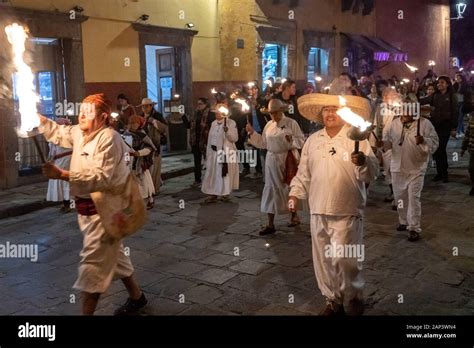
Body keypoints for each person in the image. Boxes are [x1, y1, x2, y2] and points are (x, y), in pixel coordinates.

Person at [38, 93, 146, 315]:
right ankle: (137, 297)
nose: (81, 116)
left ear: (103, 116)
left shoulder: (110, 138)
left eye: (88, 113)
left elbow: (100, 178)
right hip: (85, 211)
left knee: (92, 269)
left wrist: (62, 174)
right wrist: (36, 117)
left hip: (105, 211)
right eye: (81, 111)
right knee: (116, 257)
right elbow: (59, 132)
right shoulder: (79, 132)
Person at [289, 88, 378, 316]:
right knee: (324, 259)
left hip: (347, 208)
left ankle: (354, 295)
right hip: (318, 208)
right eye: (326, 110)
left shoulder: (355, 137)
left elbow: (371, 173)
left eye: (335, 109)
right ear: (321, 115)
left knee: (345, 260)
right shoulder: (313, 140)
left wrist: (363, 162)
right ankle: (332, 300)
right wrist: (295, 193)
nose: (330, 114)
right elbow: (304, 173)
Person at [383, 95, 439, 241]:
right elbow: (387, 143)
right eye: (403, 110)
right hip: (397, 167)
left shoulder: (425, 124)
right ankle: (403, 220)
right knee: (400, 197)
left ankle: (414, 227)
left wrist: (423, 140)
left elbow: (434, 144)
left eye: (409, 111)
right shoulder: (393, 124)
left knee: (414, 198)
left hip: (416, 168)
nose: (405, 114)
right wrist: (381, 145)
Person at [246, 99, 305, 235]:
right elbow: (263, 143)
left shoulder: (291, 123)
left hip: (287, 159)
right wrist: (252, 133)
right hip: (272, 160)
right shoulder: (269, 125)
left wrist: (292, 141)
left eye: (275, 112)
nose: (273, 115)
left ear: (281, 111)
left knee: (289, 187)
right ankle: (270, 223)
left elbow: (301, 141)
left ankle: (293, 215)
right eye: (271, 113)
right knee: (271, 188)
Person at [420, 76, 458, 183]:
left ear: (447, 84)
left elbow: (455, 112)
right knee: (435, 149)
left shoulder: (451, 96)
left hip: (445, 126)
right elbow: (423, 101)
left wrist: (454, 128)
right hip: (435, 125)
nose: (439, 84)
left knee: (441, 148)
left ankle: (444, 173)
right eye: (438, 83)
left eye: (442, 82)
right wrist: (412, 99)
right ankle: (439, 173)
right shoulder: (435, 96)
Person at [201, 103, 239, 203]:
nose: (216, 115)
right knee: (212, 173)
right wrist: (208, 153)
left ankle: (224, 194)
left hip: (225, 153)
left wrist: (227, 132)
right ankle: (213, 193)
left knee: (224, 174)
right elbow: (210, 139)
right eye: (216, 113)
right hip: (214, 153)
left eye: (218, 113)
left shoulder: (231, 123)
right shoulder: (213, 123)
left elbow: (234, 138)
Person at [126, 115, 156, 209]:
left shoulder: (142, 135)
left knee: (143, 182)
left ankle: (147, 201)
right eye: (130, 123)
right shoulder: (125, 135)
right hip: (128, 162)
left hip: (140, 162)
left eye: (134, 123)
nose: (131, 125)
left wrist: (138, 153)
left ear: (139, 124)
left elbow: (149, 148)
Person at [139, 98, 168, 192]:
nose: (144, 108)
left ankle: (154, 188)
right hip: (143, 144)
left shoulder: (158, 116)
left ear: (151, 106)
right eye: (143, 106)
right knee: (146, 167)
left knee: (155, 166)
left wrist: (154, 122)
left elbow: (164, 129)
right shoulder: (140, 116)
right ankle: (147, 188)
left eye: (147, 106)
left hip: (156, 144)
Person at [185, 98, 215, 186]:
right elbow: (189, 125)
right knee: (197, 162)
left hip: (206, 141)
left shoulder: (211, 114)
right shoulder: (195, 114)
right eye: (198, 103)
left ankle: (210, 179)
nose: (199, 105)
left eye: (201, 104)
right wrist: (183, 116)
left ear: (206, 104)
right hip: (196, 141)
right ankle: (197, 180)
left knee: (209, 161)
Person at [46, 117, 72, 213]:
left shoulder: (55, 136)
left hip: (61, 160)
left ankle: (67, 205)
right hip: (70, 158)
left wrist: (49, 160)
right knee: (68, 181)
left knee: (63, 181)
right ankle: (69, 203)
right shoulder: (71, 134)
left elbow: (52, 152)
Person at [461, 113, 474, 196]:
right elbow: (467, 134)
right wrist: (463, 147)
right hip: (473, 149)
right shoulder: (472, 119)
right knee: (472, 168)